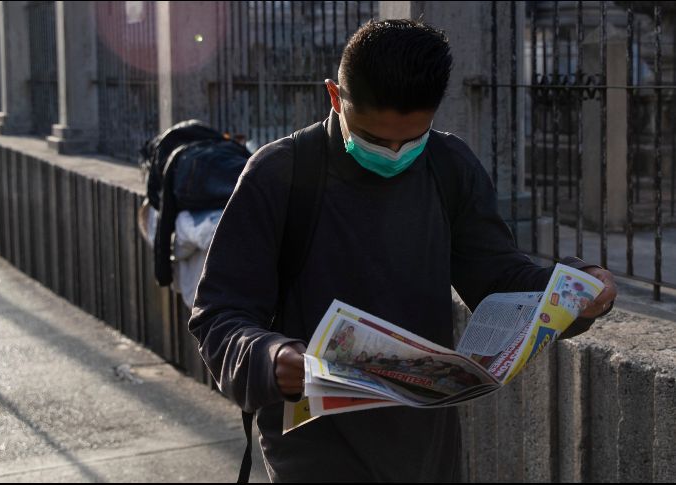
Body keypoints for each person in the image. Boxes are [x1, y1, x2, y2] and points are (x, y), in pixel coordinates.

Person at [189, 19, 617, 482]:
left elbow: (499, 279)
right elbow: (219, 316)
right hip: (315, 451)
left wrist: (579, 287)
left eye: (412, 139)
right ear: (335, 96)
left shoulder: (449, 166)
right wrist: (270, 358)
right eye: (374, 139)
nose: (394, 153)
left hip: (425, 446)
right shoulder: (280, 173)